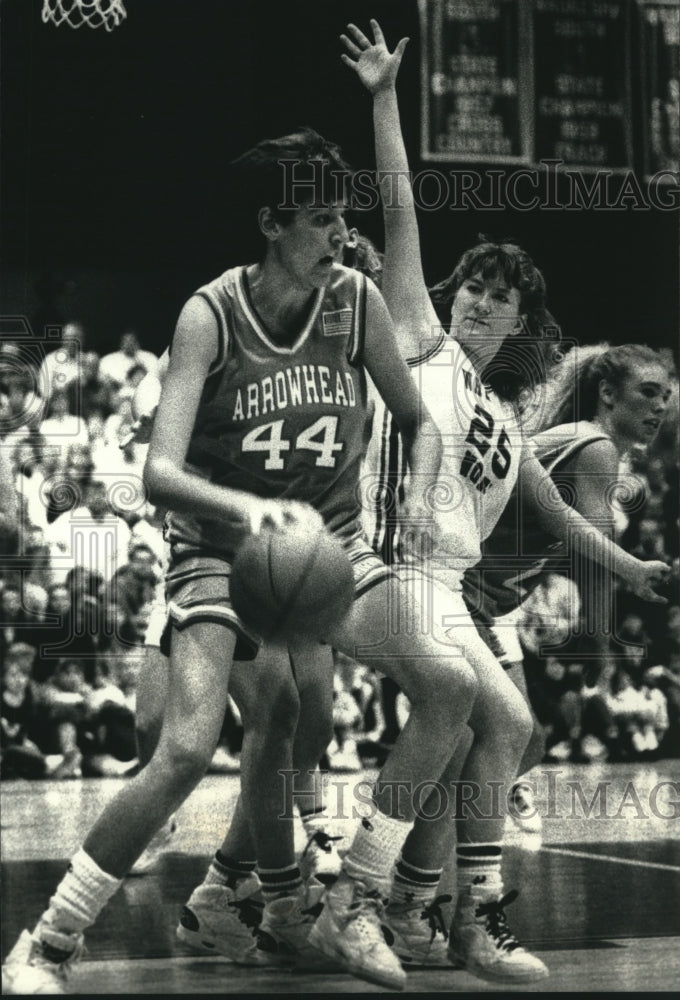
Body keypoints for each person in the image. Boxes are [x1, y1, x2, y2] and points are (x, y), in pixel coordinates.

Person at [3, 127, 480, 995]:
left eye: (344, 217)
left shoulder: (358, 302)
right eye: (321, 219)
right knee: (184, 749)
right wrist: (247, 506)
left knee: (449, 688)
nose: (340, 234)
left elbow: (419, 423)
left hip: (328, 550)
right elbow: (158, 473)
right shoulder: (209, 314)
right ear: (271, 223)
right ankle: (48, 943)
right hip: (223, 553)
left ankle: (353, 903)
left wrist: (415, 495)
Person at [328, 19, 671, 987]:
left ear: (520, 321)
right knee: (450, 697)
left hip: (443, 590)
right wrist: (382, 97)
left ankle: (452, 916)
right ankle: (356, 898)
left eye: (496, 295)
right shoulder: (420, 339)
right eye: (470, 283)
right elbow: (399, 210)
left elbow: (562, 523)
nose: (477, 298)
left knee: (509, 727)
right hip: (380, 568)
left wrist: (636, 570)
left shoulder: (502, 421)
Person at [465, 343, 676, 777]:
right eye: (649, 392)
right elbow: (595, 563)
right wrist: (599, 642)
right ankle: (423, 835)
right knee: (513, 740)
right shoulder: (594, 447)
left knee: (518, 743)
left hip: (484, 606)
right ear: (608, 393)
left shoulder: (588, 444)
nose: (659, 406)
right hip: (459, 595)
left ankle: (445, 834)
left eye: (666, 397)